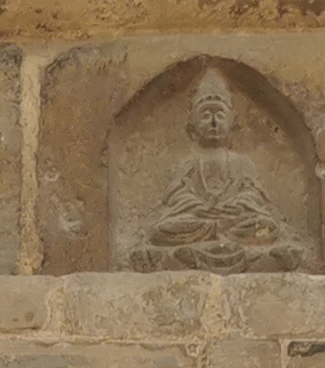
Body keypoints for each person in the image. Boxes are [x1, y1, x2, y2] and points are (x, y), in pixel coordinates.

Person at [127, 67, 307, 272]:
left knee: (264, 225)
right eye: (205, 116)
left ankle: (181, 257)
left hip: (233, 222)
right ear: (193, 124)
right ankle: (258, 257)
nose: (213, 122)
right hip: (199, 222)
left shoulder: (241, 162)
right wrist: (196, 207)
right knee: (163, 229)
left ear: (232, 122)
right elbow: (177, 196)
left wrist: (237, 205)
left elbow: (252, 193)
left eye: (220, 115)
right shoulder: (189, 163)